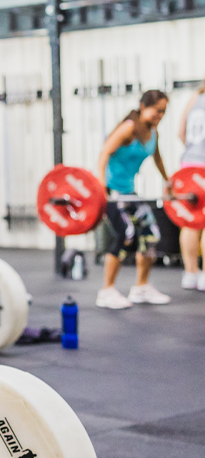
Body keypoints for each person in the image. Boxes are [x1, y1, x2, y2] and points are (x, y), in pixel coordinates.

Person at [95, 90, 171, 308]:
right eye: (157, 110)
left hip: (129, 191)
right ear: (143, 106)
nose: (160, 115)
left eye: (163, 112)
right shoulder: (129, 128)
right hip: (112, 192)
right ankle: (106, 291)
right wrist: (100, 184)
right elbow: (104, 153)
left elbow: (157, 158)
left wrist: (168, 182)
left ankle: (141, 288)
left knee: (151, 234)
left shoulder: (153, 132)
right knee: (126, 234)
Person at [176, 79, 205, 290]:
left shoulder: (195, 97)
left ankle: (190, 273)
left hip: (188, 167)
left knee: (190, 220)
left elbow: (180, 133)